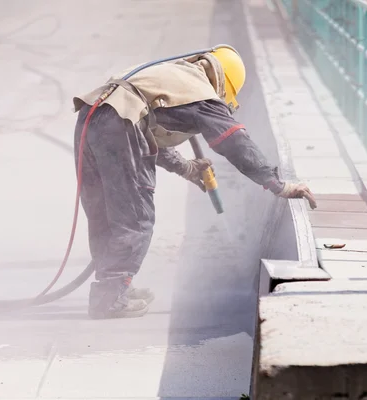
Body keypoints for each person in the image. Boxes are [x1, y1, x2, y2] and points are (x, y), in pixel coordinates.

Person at [72, 45, 317, 319]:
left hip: (90, 117)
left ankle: (112, 288)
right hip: (119, 124)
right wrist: (277, 184)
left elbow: (144, 124)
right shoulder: (202, 94)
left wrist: (187, 168)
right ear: (224, 82)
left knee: (105, 213)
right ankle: (109, 297)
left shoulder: (174, 75)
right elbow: (235, 140)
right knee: (134, 218)